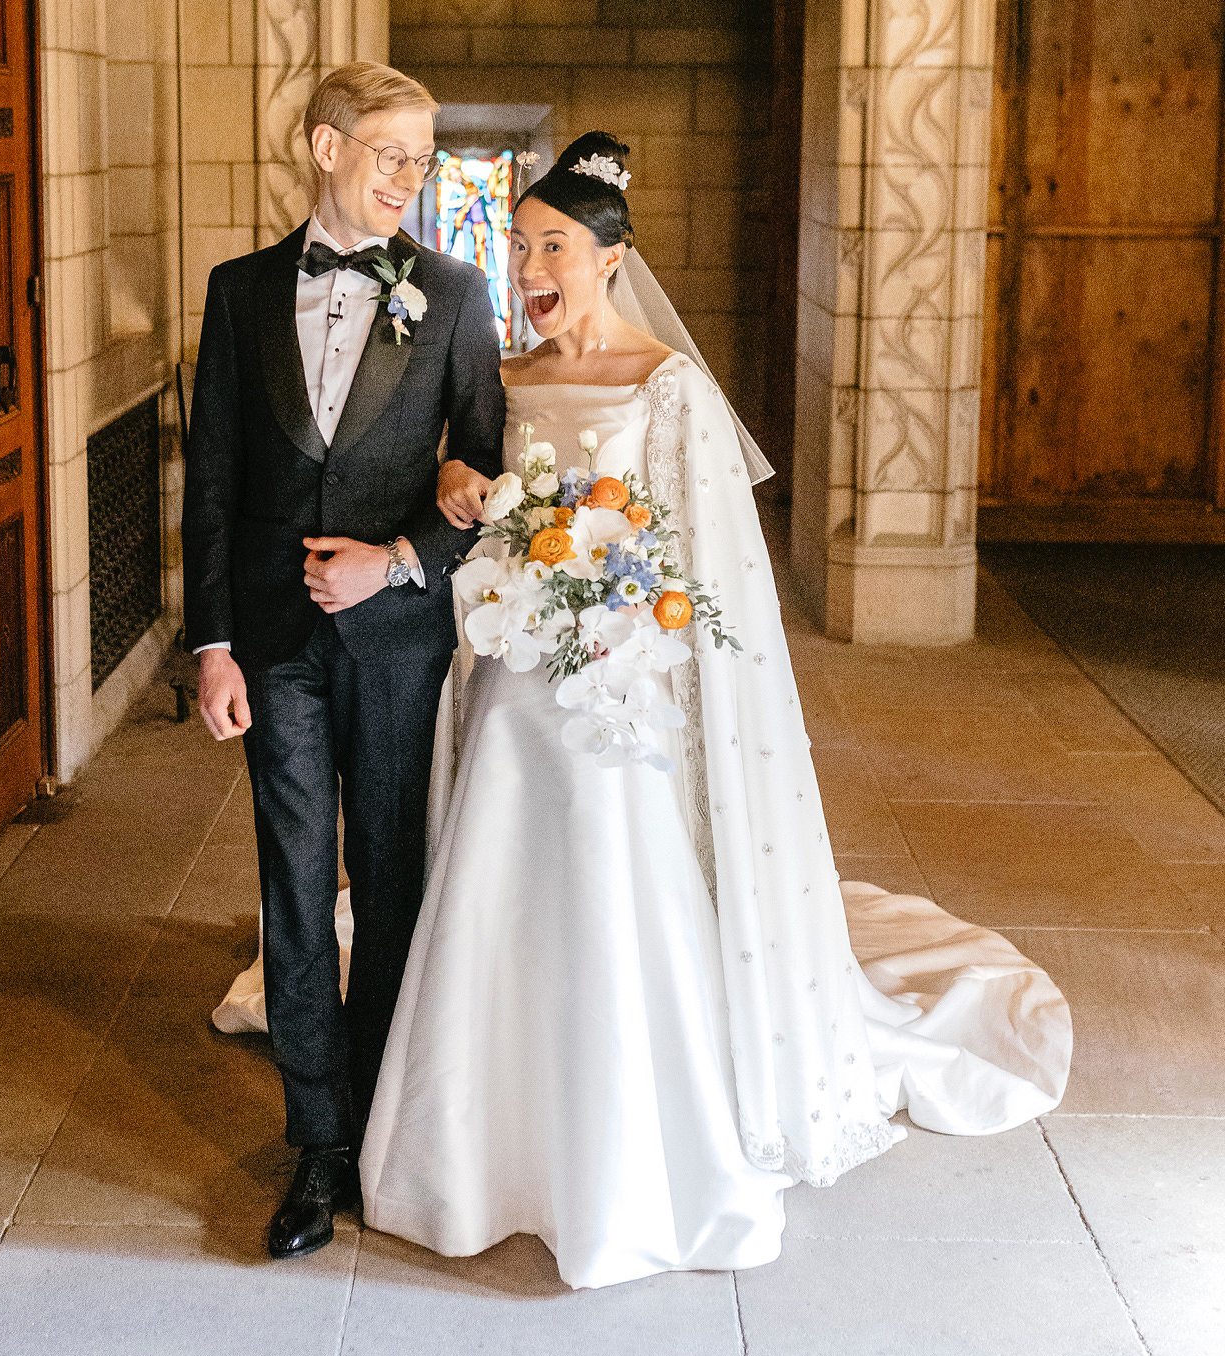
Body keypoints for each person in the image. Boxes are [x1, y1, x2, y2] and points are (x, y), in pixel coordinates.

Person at [358, 132, 1072, 1290]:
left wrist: (623, 624)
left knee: (608, 869)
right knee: (494, 871)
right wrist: (459, 489)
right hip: (511, 668)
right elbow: (471, 486)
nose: (532, 265)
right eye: (522, 244)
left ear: (608, 258)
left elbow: (702, 558)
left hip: (616, 675)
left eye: (555, 246)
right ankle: (473, 1141)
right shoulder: (507, 371)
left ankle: (628, 1141)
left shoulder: (666, 384)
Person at [182, 62, 504, 1260]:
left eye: (425, 157)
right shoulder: (239, 293)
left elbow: (483, 479)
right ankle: (316, 1144)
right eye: (391, 153)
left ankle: (385, 1123)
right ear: (326, 147)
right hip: (270, 647)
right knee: (295, 881)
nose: (410, 179)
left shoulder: (456, 294)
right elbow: (213, 480)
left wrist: (396, 560)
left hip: (395, 639)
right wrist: (212, 644)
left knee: (394, 873)